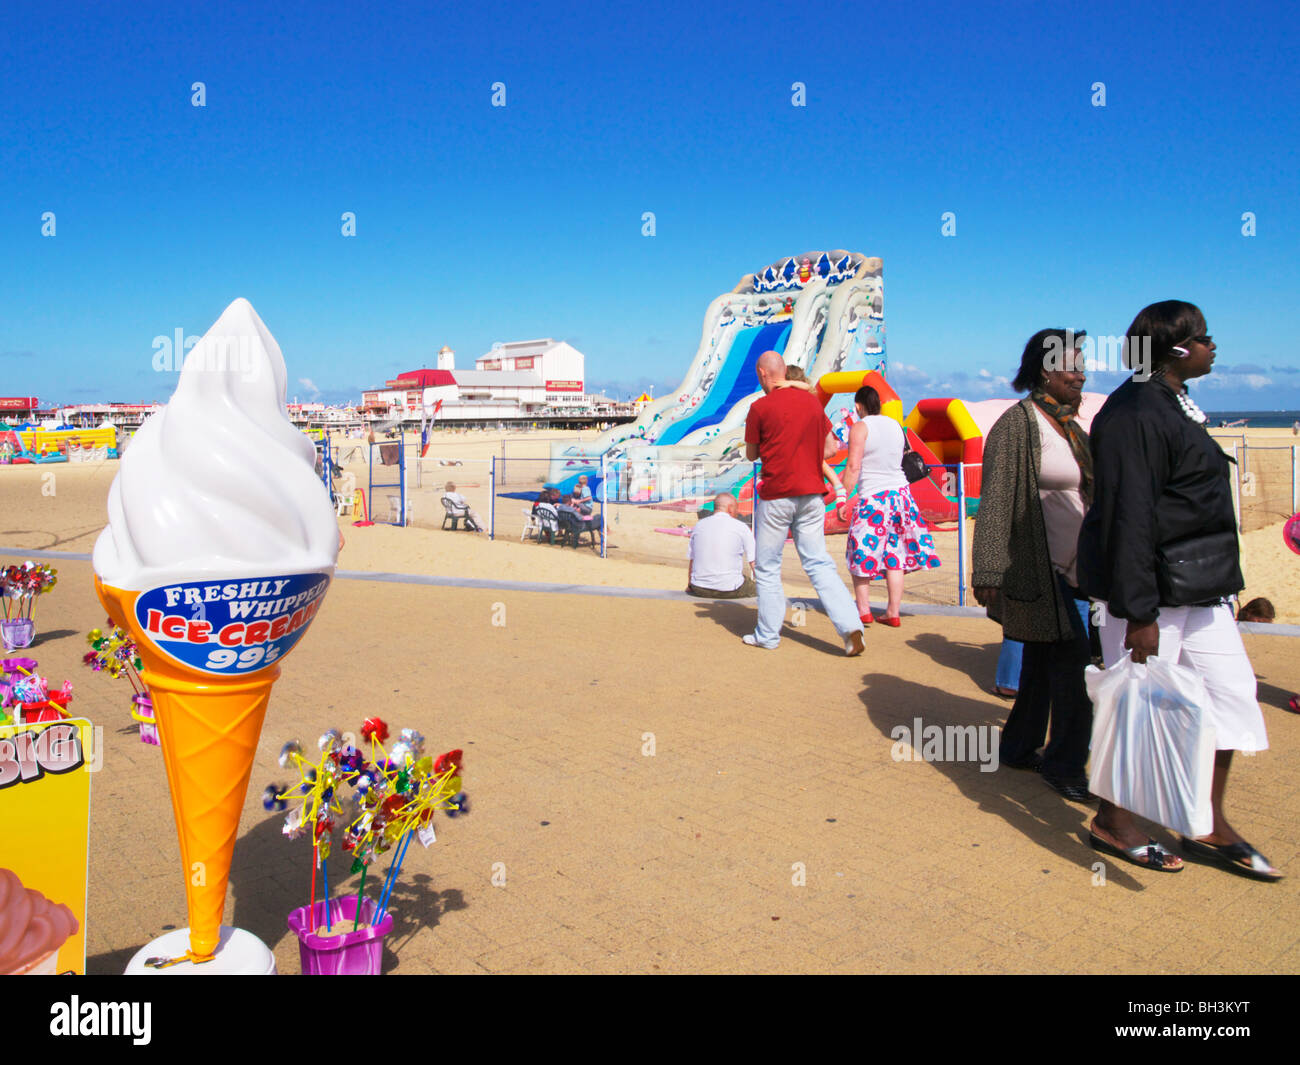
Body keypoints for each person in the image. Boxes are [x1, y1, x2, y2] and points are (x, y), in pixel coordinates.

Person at [1078, 300, 1279, 879]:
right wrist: (1137, 611)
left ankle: (1206, 821)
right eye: (1206, 338)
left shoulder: (1171, 401)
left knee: (1231, 697)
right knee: (1139, 712)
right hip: (1152, 596)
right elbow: (1129, 516)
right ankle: (1113, 821)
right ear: (1176, 349)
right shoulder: (1135, 411)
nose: (1216, 347)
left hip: (1199, 587)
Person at [971, 330, 1096, 802]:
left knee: (1043, 664)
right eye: (1072, 365)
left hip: (1077, 567)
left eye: (1082, 364)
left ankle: (1020, 746)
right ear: (1046, 370)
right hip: (1039, 569)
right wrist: (987, 571)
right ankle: (1064, 765)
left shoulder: (1069, 424)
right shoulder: (1017, 424)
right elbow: (997, 499)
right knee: (1075, 670)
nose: (1080, 373)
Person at [743, 351, 865, 655]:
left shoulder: (759, 407)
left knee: (769, 568)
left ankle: (768, 635)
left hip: (777, 494)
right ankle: (851, 628)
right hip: (812, 494)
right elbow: (829, 448)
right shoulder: (812, 402)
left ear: (762, 373)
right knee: (819, 563)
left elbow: (751, 454)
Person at [840, 385, 939, 626]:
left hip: (873, 498)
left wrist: (842, 497)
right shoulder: (895, 425)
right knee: (895, 555)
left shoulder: (860, 428)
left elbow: (853, 467)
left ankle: (863, 610)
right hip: (901, 496)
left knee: (861, 552)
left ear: (858, 406)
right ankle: (892, 612)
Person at [686, 493, 756, 598]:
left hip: (699, 588)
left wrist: (690, 585)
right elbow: (754, 562)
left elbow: (692, 559)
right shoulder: (741, 527)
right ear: (730, 508)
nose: (738, 512)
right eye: (737, 508)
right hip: (731, 588)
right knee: (757, 587)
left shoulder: (699, 525)